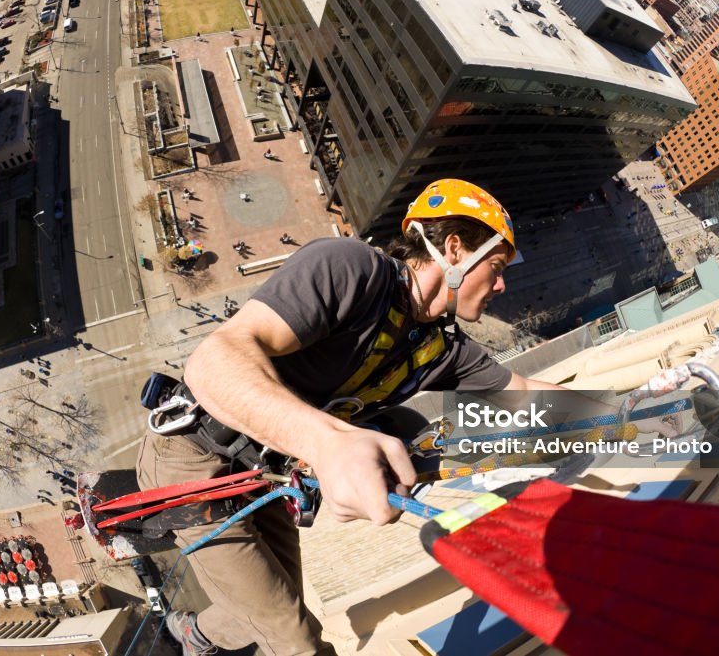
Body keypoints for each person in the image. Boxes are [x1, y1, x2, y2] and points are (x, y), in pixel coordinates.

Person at [136, 179, 664, 655]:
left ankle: (194, 634)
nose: (502, 285)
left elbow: (524, 391)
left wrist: (635, 413)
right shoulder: (350, 270)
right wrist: (326, 442)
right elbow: (216, 359)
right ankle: (204, 633)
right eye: (497, 267)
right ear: (455, 249)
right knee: (293, 636)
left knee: (273, 599)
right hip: (195, 460)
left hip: (262, 478)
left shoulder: (439, 347)